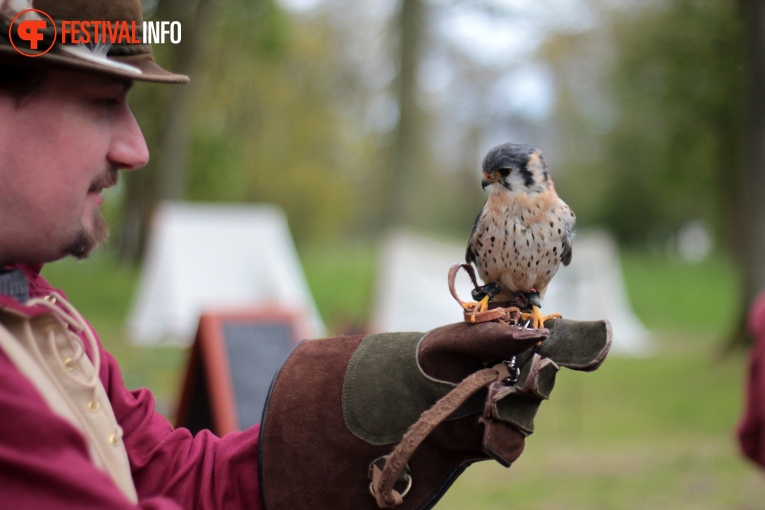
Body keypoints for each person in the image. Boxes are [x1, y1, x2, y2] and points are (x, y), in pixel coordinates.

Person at [0, 1, 611, 509]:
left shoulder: (50, 321)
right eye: (103, 102)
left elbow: (176, 479)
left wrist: (382, 402)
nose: (137, 147)